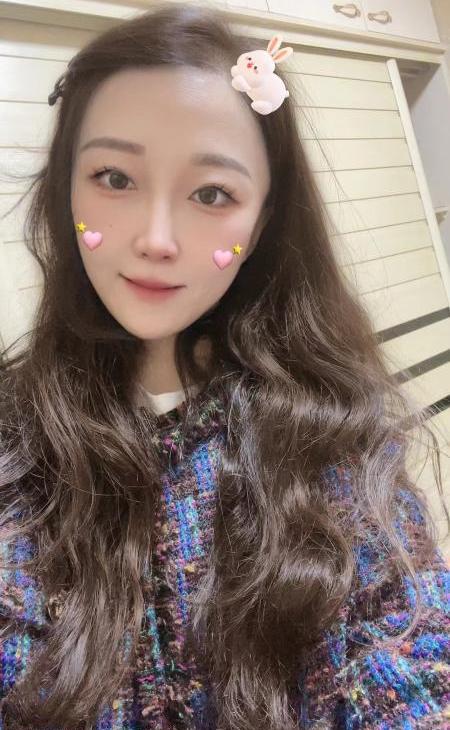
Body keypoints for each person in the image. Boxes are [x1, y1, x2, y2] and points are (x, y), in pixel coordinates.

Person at [0, 1, 448, 728]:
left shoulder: (338, 436)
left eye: (212, 194)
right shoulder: (15, 438)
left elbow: (410, 651)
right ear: (64, 188)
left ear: (263, 220)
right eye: (114, 177)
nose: (157, 239)